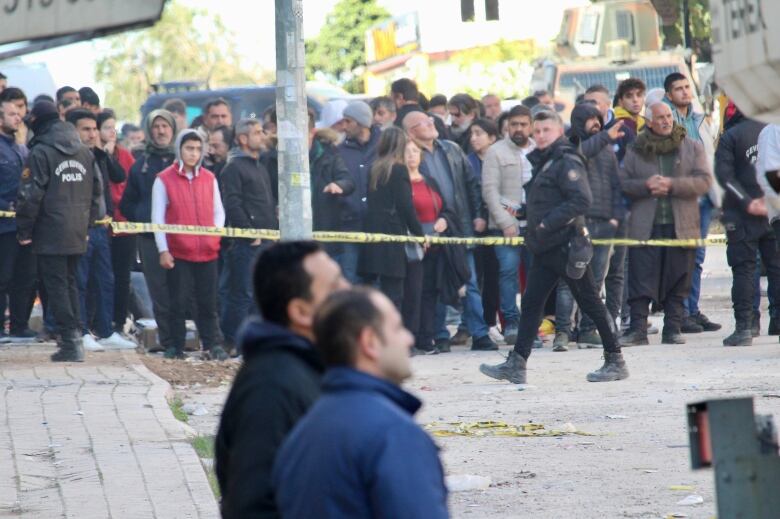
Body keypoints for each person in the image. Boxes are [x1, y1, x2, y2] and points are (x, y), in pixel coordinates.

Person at [479, 109, 629, 384]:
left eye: (545, 130)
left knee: (591, 302)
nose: (539, 135)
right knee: (532, 304)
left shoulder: (566, 159)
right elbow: (547, 199)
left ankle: (615, 360)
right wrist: (524, 213)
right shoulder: (546, 161)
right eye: (537, 131)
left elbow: (580, 200)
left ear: (559, 131)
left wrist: (546, 224)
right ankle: (517, 363)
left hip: (566, 246)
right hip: (547, 247)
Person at [272, 288, 449, 519]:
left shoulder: (304, 428)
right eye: (397, 328)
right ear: (370, 342)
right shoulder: (393, 433)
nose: (409, 338)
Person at [215, 241, 350, 518]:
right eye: (335, 286)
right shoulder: (271, 387)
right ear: (301, 312)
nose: (348, 292)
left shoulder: (307, 369)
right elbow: (253, 505)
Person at [619, 102, 712, 346]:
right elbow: (623, 183)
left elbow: (704, 182)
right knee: (640, 279)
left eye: (668, 116)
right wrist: (646, 186)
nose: (666, 121)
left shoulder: (691, 146)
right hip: (645, 226)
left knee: (679, 278)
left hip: (681, 225)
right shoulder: (636, 149)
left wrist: (672, 185)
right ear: (649, 122)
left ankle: (673, 328)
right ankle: (638, 330)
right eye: (659, 117)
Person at [403, 110, 496, 352]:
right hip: (429, 230)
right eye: (424, 121)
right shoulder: (409, 156)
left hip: (460, 227)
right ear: (412, 131)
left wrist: (478, 215)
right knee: (434, 284)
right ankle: (439, 335)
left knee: (469, 280)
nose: (432, 122)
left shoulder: (452, 149)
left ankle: (480, 334)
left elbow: (471, 184)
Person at [16, 100, 102, 361]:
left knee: (56, 287)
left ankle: (70, 342)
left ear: (38, 122)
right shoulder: (84, 152)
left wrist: (24, 230)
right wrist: (88, 225)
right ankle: (76, 337)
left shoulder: (41, 152)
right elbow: (96, 192)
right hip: (77, 230)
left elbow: (30, 195)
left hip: (50, 230)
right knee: (71, 284)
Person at [554, 103, 626, 351]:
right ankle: (562, 333)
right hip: (578, 224)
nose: (597, 123)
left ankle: (587, 331)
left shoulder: (606, 149)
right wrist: (606, 135)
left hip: (604, 225)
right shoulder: (568, 146)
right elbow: (582, 153)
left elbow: (617, 186)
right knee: (568, 281)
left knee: (595, 283)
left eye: (599, 118)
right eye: (591, 119)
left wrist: (615, 218)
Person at [151, 129, 228, 360]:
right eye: (189, 148)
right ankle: (176, 346)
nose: (194, 154)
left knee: (208, 302)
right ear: (179, 150)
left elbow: (219, 212)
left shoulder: (209, 178)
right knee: (178, 302)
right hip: (178, 251)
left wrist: (214, 237)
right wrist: (163, 250)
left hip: (207, 251)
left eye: (197, 149)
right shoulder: (163, 179)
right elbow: (158, 218)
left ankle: (213, 344)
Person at [66, 109, 135, 351]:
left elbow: (119, 176)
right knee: (81, 282)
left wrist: (103, 153)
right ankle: (82, 330)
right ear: (72, 130)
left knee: (106, 280)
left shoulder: (98, 155)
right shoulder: (69, 157)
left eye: (95, 129)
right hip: (79, 228)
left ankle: (106, 330)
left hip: (101, 226)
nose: (92, 134)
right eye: (86, 129)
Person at [715, 103, 780, 346]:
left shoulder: (731, 136)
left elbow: (724, 177)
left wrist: (747, 202)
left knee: (744, 270)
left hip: (742, 215)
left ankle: (746, 326)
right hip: (772, 211)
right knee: (776, 268)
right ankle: (777, 321)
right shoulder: (771, 128)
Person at [662, 72, 722, 334]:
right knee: (682, 257)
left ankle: (693, 310)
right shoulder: (666, 121)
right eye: (679, 88)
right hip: (683, 197)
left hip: (705, 196)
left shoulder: (699, 120)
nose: (685, 92)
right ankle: (681, 313)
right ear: (668, 94)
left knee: (697, 258)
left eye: (687, 87)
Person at [119, 109, 177, 355]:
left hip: (180, 237)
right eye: (157, 126)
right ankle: (168, 341)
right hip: (149, 239)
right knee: (159, 291)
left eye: (165, 126)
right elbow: (127, 202)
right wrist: (143, 217)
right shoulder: (141, 164)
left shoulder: (182, 159)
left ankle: (184, 337)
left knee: (182, 290)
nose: (161, 131)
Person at [219, 118, 277, 351]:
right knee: (242, 294)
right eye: (257, 132)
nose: (262, 136)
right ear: (242, 138)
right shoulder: (233, 167)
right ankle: (234, 342)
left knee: (260, 295)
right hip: (247, 244)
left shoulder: (260, 166)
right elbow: (232, 203)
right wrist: (248, 233)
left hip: (266, 241)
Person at [481, 106, 535, 345]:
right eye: (514, 124)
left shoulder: (538, 148)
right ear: (507, 126)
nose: (519, 129)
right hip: (504, 226)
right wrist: (505, 222)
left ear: (530, 125)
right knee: (508, 273)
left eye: (524, 124)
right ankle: (511, 323)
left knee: (535, 277)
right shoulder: (496, 152)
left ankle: (532, 325)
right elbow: (489, 191)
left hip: (534, 227)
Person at [359, 127, 424, 308]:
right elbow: (406, 206)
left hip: (372, 231)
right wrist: (420, 235)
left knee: (373, 290)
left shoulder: (374, 167)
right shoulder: (399, 170)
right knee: (394, 292)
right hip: (392, 233)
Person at [402, 138, 456, 354]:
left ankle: (427, 338)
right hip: (412, 245)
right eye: (407, 151)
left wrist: (444, 219)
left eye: (415, 151)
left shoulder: (429, 181)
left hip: (435, 242)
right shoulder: (401, 182)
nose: (412, 155)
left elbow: (445, 206)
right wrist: (417, 236)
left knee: (431, 292)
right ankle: (411, 338)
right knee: (412, 293)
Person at [97, 110, 137, 338]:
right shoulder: (92, 155)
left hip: (124, 225)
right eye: (107, 127)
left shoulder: (125, 156)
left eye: (114, 127)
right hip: (102, 224)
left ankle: (118, 321)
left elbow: (127, 184)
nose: (111, 132)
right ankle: (99, 322)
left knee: (122, 277)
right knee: (101, 276)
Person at [0, 94, 36, 341]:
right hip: (3, 225)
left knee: (25, 276)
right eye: (12, 114)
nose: (18, 118)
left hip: (24, 224)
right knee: (3, 277)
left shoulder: (21, 147)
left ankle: (20, 325)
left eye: (19, 113)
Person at [337, 100, 381, 283]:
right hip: (349, 226)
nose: (343, 126)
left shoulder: (383, 146)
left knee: (378, 283)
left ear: (361, 122)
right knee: (350, 281)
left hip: (378, 227)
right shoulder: (339, 151)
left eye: (348, 121)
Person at [467, 118, 502, 341]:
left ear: (492, 137)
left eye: (479, 133)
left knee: (494, 276)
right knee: (474, 277)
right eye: (471, 134)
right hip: (474, 226)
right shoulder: (467, 162)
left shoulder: (500, 158)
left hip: (497, 224)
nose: (473, 138)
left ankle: (490, 321)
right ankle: (474, 324)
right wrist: (477, 215)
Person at [308, 108, 355, 257]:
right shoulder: (275, 156)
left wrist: (338, 185)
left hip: (323, 230)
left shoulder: (329, 153)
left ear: (312, 132)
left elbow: (348, 181)